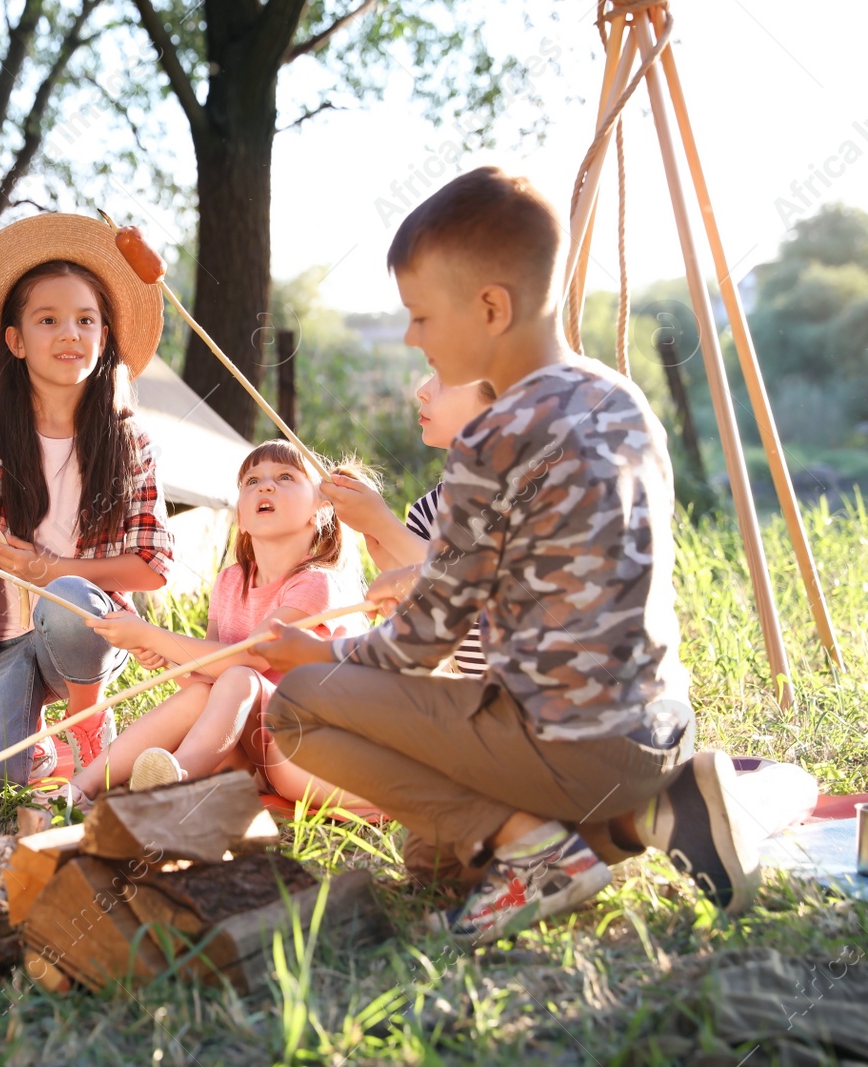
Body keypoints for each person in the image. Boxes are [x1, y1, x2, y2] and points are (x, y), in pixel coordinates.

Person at [253, 166, 761, 943]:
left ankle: (530, 847)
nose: (411, 338)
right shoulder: (625, 401)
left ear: (492, 307)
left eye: (421, 317)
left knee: (295, 706)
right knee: (429, 857)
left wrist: (312, 651)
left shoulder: (494, 436)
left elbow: (422, 638)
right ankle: (648, 812)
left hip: (574, 747)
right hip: (661, 724)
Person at [0, 213, 175, 797]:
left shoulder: (128, 439)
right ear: (16, 341)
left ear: (104, 338)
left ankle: (89, 723)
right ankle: (39, 742)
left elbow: (153, 567)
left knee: (70, 599)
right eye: (47, 320)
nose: (69, 334)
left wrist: (52, 572)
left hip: (87, 633)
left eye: (85, 320)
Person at [64, 440, 371, 809]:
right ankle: (82, 787)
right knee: (202, 693)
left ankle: (176, 780)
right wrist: (166, 658)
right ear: (240, 517)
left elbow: (250, 660)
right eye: (252, 480)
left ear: (321, 512)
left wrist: (155, 635)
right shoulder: (230, 582)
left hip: (311, 754)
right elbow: (207, 679)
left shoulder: (316, 584)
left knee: (241, 675)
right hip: (254, 755)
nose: (266, 485)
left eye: (286, 476)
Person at [323, 374, 496, 676]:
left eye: (444, 378)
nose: (422, 391)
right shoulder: (426, 512)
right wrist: (388, 554)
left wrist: (385, 526)